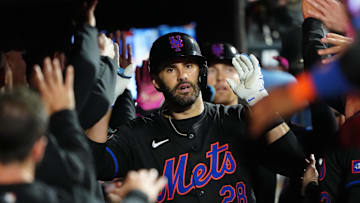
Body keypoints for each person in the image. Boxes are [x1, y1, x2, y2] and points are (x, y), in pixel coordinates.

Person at [87, 32, 306, 203]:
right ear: (156, 81)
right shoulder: (139, 133)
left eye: (189, 66)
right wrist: (104, 98)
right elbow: (94, 164)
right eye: (171, 69)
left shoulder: (238, 118)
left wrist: (260, 100)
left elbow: (295, 164)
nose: (182, 75)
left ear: (200, 72)